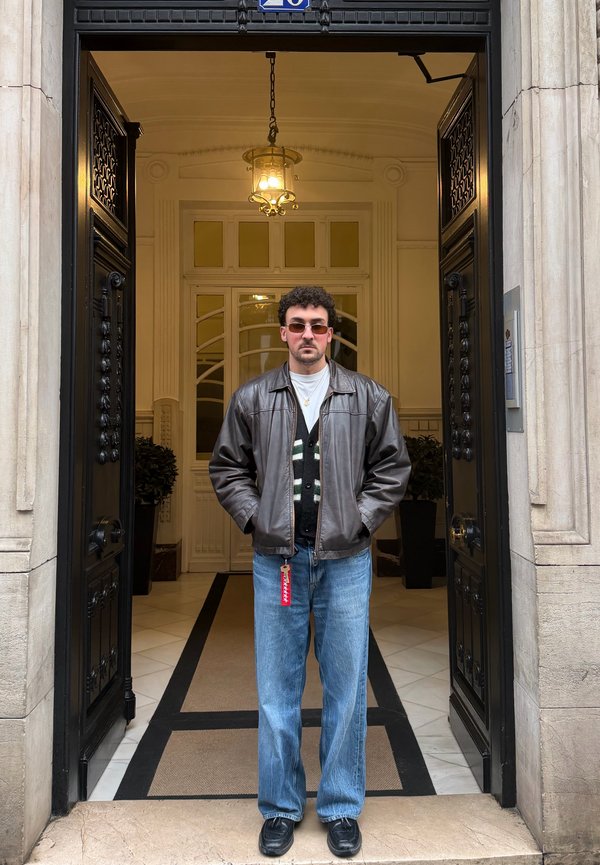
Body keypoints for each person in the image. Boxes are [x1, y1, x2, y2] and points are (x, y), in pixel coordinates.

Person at [209, 286, 410, 858]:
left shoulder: (367, 396)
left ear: (332, 334)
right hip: (279, 565)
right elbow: (227, 468)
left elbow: (392, 468)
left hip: (346, 564)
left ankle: (341, 807)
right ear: (281, 332)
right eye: (297, 324)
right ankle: (280, 808)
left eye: (318, 326)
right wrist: (257, 520)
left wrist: (359, 522)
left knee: (346, 689)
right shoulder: (253, 398)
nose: (307, 335)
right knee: (278, 690)